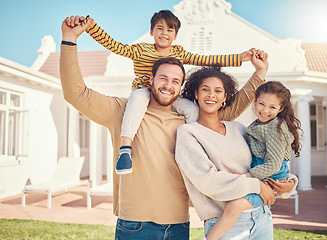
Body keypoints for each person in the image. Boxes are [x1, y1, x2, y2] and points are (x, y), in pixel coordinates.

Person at [60, 15, 277, 239]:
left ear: (181, 86)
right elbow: (75, 94)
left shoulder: (189, 120)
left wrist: (259, 73)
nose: (168, 86)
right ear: (151, 79)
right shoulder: (123, 113)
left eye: (175, 81)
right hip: (135, 225)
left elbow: (228, 111)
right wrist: (69, 40)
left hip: (178, 225)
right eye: (163, 78)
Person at [84, 10, 256, 175]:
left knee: (192, 109)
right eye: (160, 28)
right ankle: (125, 149)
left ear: (175, 35)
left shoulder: (178, 52)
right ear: (151, 32)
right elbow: (115, 46)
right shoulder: (141, 50)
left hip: (170, 95)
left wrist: (239, 58)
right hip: (145, 91)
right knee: (136, 99)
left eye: (169, 30)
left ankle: (196, 147)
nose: (164, 33)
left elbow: (206, 60)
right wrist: (91, 27)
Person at [175, 56, 298, 239]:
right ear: (196, 94)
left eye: (218, 91)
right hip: (224, 223)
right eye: (205, 90)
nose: (211, 95)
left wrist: (289, 184)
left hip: (262, 216)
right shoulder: (188, 133)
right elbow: (207, 181)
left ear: (225, 97)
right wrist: (256, 185)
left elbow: (265, 160)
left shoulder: (239, 128)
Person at [202, 81, 301, 240]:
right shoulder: (257, 125)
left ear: (280, 109)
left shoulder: (276, 127)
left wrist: (247, 176)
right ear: (255, 102)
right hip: (263, 174)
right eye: (261, 104)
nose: (265, 110)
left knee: (234, 205)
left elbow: (274, 164)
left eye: (272, 107)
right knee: (233, 203)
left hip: (271, 176)